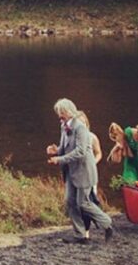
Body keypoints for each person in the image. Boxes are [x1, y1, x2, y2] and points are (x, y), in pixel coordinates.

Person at [47, 98, 113, 244]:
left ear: (68, 111)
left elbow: (81, 151)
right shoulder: (64, 127)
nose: (59, 115)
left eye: (61, 112)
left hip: (84, 171)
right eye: (58, 112)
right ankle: (80, 235)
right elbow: (64, 147)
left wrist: (60, 159)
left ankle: (107, 223)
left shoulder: (80, 127)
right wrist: (56, 151)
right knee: (70, 201)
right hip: (71, 171)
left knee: (82, 203)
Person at [76, 111, 103, 239]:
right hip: (76, 174)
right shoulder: (73, 137)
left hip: (89, 174)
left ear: (86, 123)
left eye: (83, 122)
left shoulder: (92, 137)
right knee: (76, 202)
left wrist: (93, 162)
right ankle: (82, 228)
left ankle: (87, 230)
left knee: (86, 201)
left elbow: (99, 153)